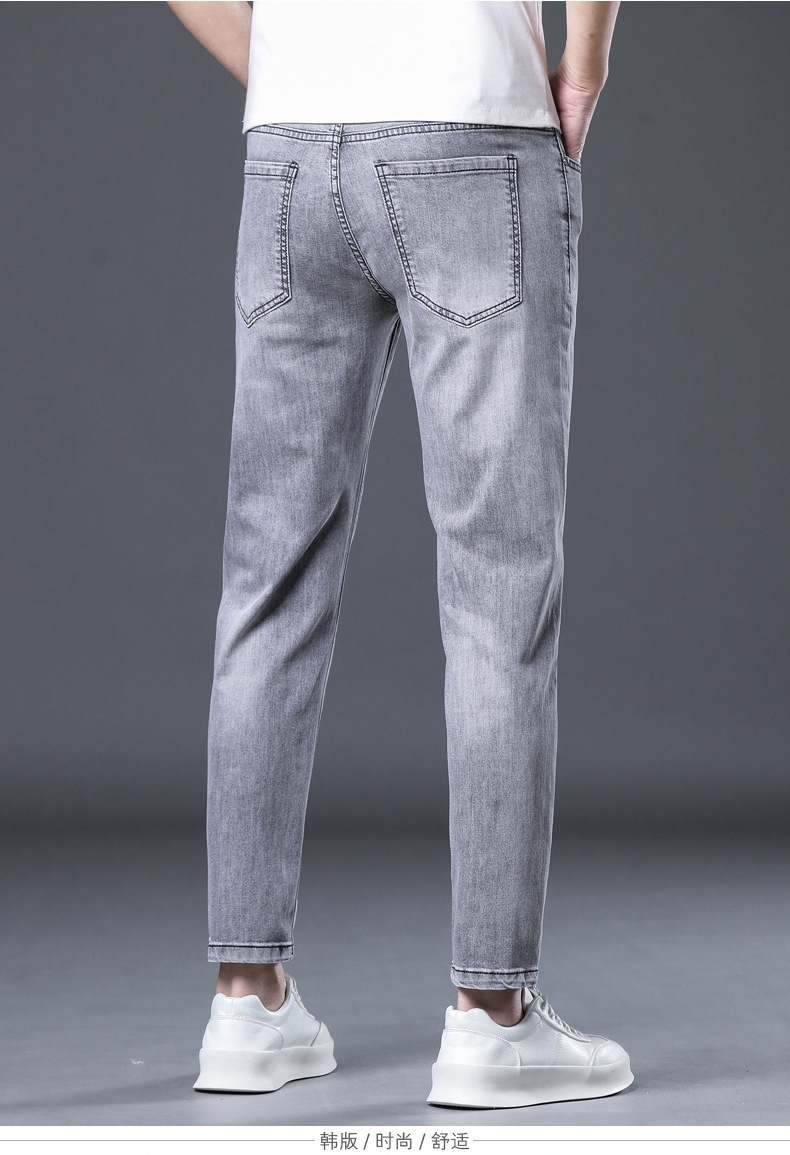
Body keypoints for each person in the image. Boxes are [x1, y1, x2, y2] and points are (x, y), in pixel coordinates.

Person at [166, 0, 630, 1110]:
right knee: (497, 588)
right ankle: (492, 1019)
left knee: (268, 582)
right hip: (474, 127)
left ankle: (245, 1004)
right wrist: (582, 68)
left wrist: (293, 70)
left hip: (290, 149)